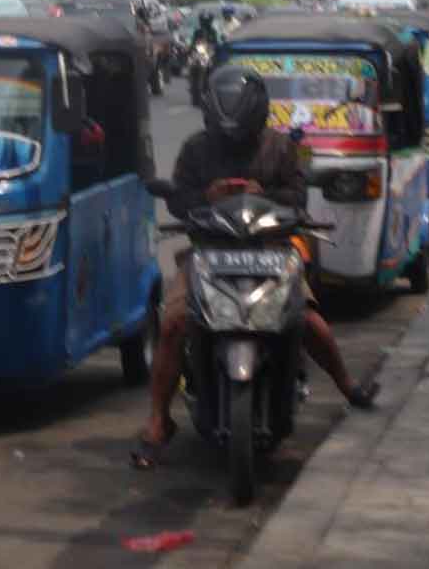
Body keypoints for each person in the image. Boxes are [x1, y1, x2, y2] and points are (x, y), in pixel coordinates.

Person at [132, 65, 378, 469]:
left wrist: (265, 193)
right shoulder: (196, 150)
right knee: (176, 322)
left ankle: (348, 385)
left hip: (273, 252)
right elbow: (178, 199)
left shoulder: (281, 148)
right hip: (208, 253)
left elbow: (297, 196)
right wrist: (204, 195)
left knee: (309, 320)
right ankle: (159, 419)